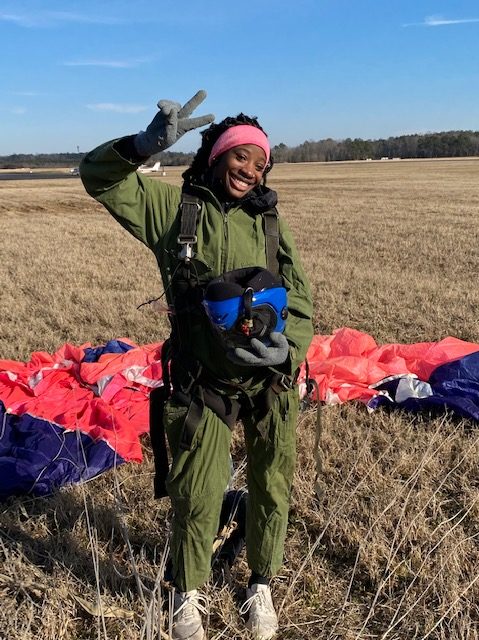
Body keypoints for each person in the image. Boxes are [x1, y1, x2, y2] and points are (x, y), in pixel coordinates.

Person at [80, 90, 313, 640]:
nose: (250, 171)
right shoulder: (175, 212)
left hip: (271, 385)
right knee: (197, 492)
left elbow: (300, 300)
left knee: (271, 485)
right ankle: (188, 594)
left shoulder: (271, 224)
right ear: (216, 155)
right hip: (202, 382)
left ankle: (260, 584)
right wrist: (139, 146)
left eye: (261, 164)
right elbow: (98, 178)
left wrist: (290, 348)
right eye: (241, 157)